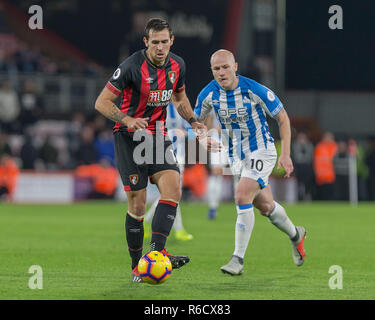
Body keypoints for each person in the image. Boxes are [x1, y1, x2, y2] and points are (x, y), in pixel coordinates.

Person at [94, 18, 206, 282]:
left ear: (171, 41)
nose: (159, 47)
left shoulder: (178, 65)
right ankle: (137, 266)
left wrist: (193, 121)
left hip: (156, 136)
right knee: (138, 205)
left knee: (174, 188)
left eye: (164, 42)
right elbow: (101, 102)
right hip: (129, 138)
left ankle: (156, 253)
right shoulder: (131, 66)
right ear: (146, 42)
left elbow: (179, 97)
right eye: (154, 42)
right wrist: (127, 119)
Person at [194, 49, 307, 275]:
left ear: (235, 66)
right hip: (236, 157)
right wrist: (203, 137)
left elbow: (282, 118)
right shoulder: (208, 94)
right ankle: (296, 234)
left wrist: (285, 154)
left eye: (225, 67)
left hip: (262, 150)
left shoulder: (253, 89)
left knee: (241, 194)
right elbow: (197, 121)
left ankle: (237, 259)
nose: (221, 72)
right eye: (216, 69)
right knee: (265, 207)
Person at [144, 103, 193, 241]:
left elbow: (193, 130)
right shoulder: (157, 106)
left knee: (173, 193)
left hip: (178, 157)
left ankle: (178, 229)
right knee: (171, 193)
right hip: (164, 156)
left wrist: (185, 132)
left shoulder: (181, 107)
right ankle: (150, 222)